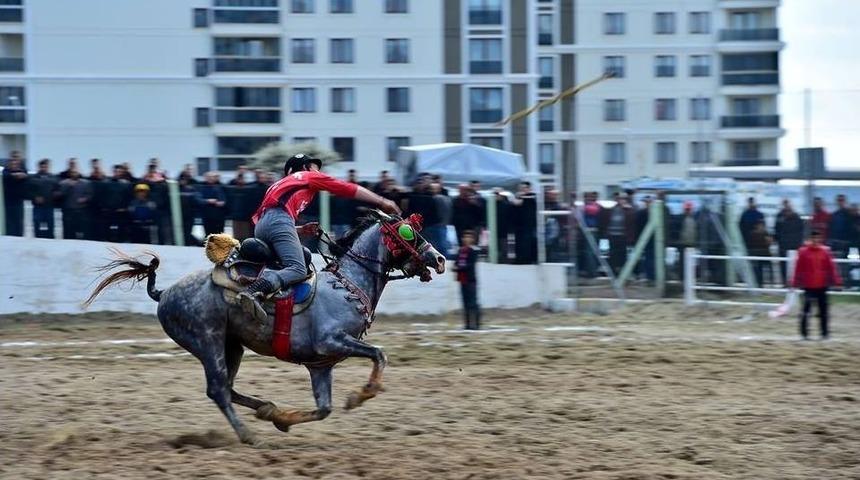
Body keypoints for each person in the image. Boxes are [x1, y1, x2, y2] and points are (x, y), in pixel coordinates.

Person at [238, 153, 401, 321]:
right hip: (279, 221)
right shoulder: (307, 176)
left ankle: (273, 304)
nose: (319, 172)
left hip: (263, 226)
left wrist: (300, 229)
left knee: (299, 259)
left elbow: (271, 218)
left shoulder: (278, 184)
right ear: (305, 167)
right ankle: (254, 291)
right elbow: (346, 188)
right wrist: (382, 201)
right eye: (315, 167)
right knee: (298, 269)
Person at [791, 230, 842, 340]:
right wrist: (794, 282)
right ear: (811, 239)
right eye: (814, 238)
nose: (816, 240)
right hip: (808, 286)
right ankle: (804, 334)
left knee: (824, 311)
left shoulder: (826, 251)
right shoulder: (803, 252)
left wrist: (837, 281)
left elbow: (831, 268)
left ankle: (824, 334)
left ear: (820, 239)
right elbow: (798, 268)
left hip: (822, 285)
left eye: (818, 238)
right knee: (806, 310)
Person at [453, 230, 481, 330]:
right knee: (465, 303)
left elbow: (470, 265)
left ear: (472, 239)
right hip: (462, 280)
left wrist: (459, 268)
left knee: (472, 303)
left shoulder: (473, 251)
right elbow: (456, 263)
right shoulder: (460, 251)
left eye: (469, 237)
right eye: (465, 237)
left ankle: (476, 324)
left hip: (470, 280)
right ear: (462, 239)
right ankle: (467, 325)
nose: (467, 239)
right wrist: (455, 267)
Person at [774, 199, 804, 286]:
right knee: (783, 265)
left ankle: (795, 282)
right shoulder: (779, 216)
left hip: (794, 246)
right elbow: (777, 230)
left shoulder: (797, 218)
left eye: (787, 205)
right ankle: (785, 282)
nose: (786, 207)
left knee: (795, 265)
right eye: (784, 205)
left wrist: (798, 244)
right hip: (782, 246)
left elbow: (800, 232)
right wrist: (777, 240)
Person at [29, 159, 59, 239]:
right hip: (38, 207)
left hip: (49, 207)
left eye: (45, 167)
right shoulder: (33, 178)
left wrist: (56, 194)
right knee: (37, 226)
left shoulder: (54, 178)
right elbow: (28, 191)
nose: (44, 168)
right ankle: (37, 241)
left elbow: (58, 189)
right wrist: (35, 197)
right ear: (39, 167)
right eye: (42, 167)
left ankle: (50, 241)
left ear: (48, 167)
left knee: (50, 227)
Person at [2, 151, 28, 236]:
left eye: (17, 157)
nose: (15, 160)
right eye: (13, 157)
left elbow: (25, 176)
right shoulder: (6, 170)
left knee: (19, 221)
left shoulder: (23, 169)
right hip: (8, 200)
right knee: (9, 222)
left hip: (18, 200)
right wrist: (15, 174)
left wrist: (20, 174)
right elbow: (6, 176)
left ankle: (19, 236)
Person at [196, 171, 227, 236]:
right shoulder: (201, 186)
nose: (210, 178)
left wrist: (222, 202)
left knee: (219, 233)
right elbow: (198, 199)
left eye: (212, 177)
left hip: (219, 215)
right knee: (209, 233)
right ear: (205, 177)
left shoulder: (221, 186)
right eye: (208, 177)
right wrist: (208, 201)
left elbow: (225, 198)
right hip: (207, 214)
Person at [746, 220, 773, 287]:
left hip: (765, 253)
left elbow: (769, 243)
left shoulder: (766, 233)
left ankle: (770, 282)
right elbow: (750, 244)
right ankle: (759, 283)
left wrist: (769, 241)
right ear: (756, 226)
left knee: (766, 268)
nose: (761, 226)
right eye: (760, 225)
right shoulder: (752, 233)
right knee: (758, 269)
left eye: (762, 225)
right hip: (756, 253)